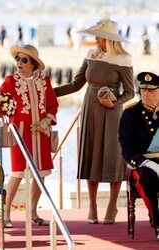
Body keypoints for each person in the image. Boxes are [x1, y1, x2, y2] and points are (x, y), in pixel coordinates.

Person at [53, 17, 135, 224]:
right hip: (90, 110)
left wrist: (114, 103)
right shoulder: (90, 54)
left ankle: (112, 206)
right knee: (91, 154)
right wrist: (47, 93)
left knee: (113, 157)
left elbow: (130, 92)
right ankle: (92, 205)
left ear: (109, 39)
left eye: (99, 36)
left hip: (112, 113)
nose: (96, 39)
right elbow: (76, 84)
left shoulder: (123, 59)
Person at [0, 44, 59, 228]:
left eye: (24, 60)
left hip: (41, 134)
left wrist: (45, 122)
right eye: (17, 58)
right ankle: (6, 212)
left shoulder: (44, 81)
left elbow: (53, 106)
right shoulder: (10, 81)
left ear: (32, 63)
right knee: (17, 173)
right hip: (20, 133)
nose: (19, 62)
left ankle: (32, 212)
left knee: (40, 175)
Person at [119, 72, 159, 241]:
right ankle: (157, 222)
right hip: (142, 163)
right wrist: (148, 163)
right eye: (143, 90)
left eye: (151, 91)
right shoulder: (130, 114)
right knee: (147, 178)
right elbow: (126, 148)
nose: (145, 94)